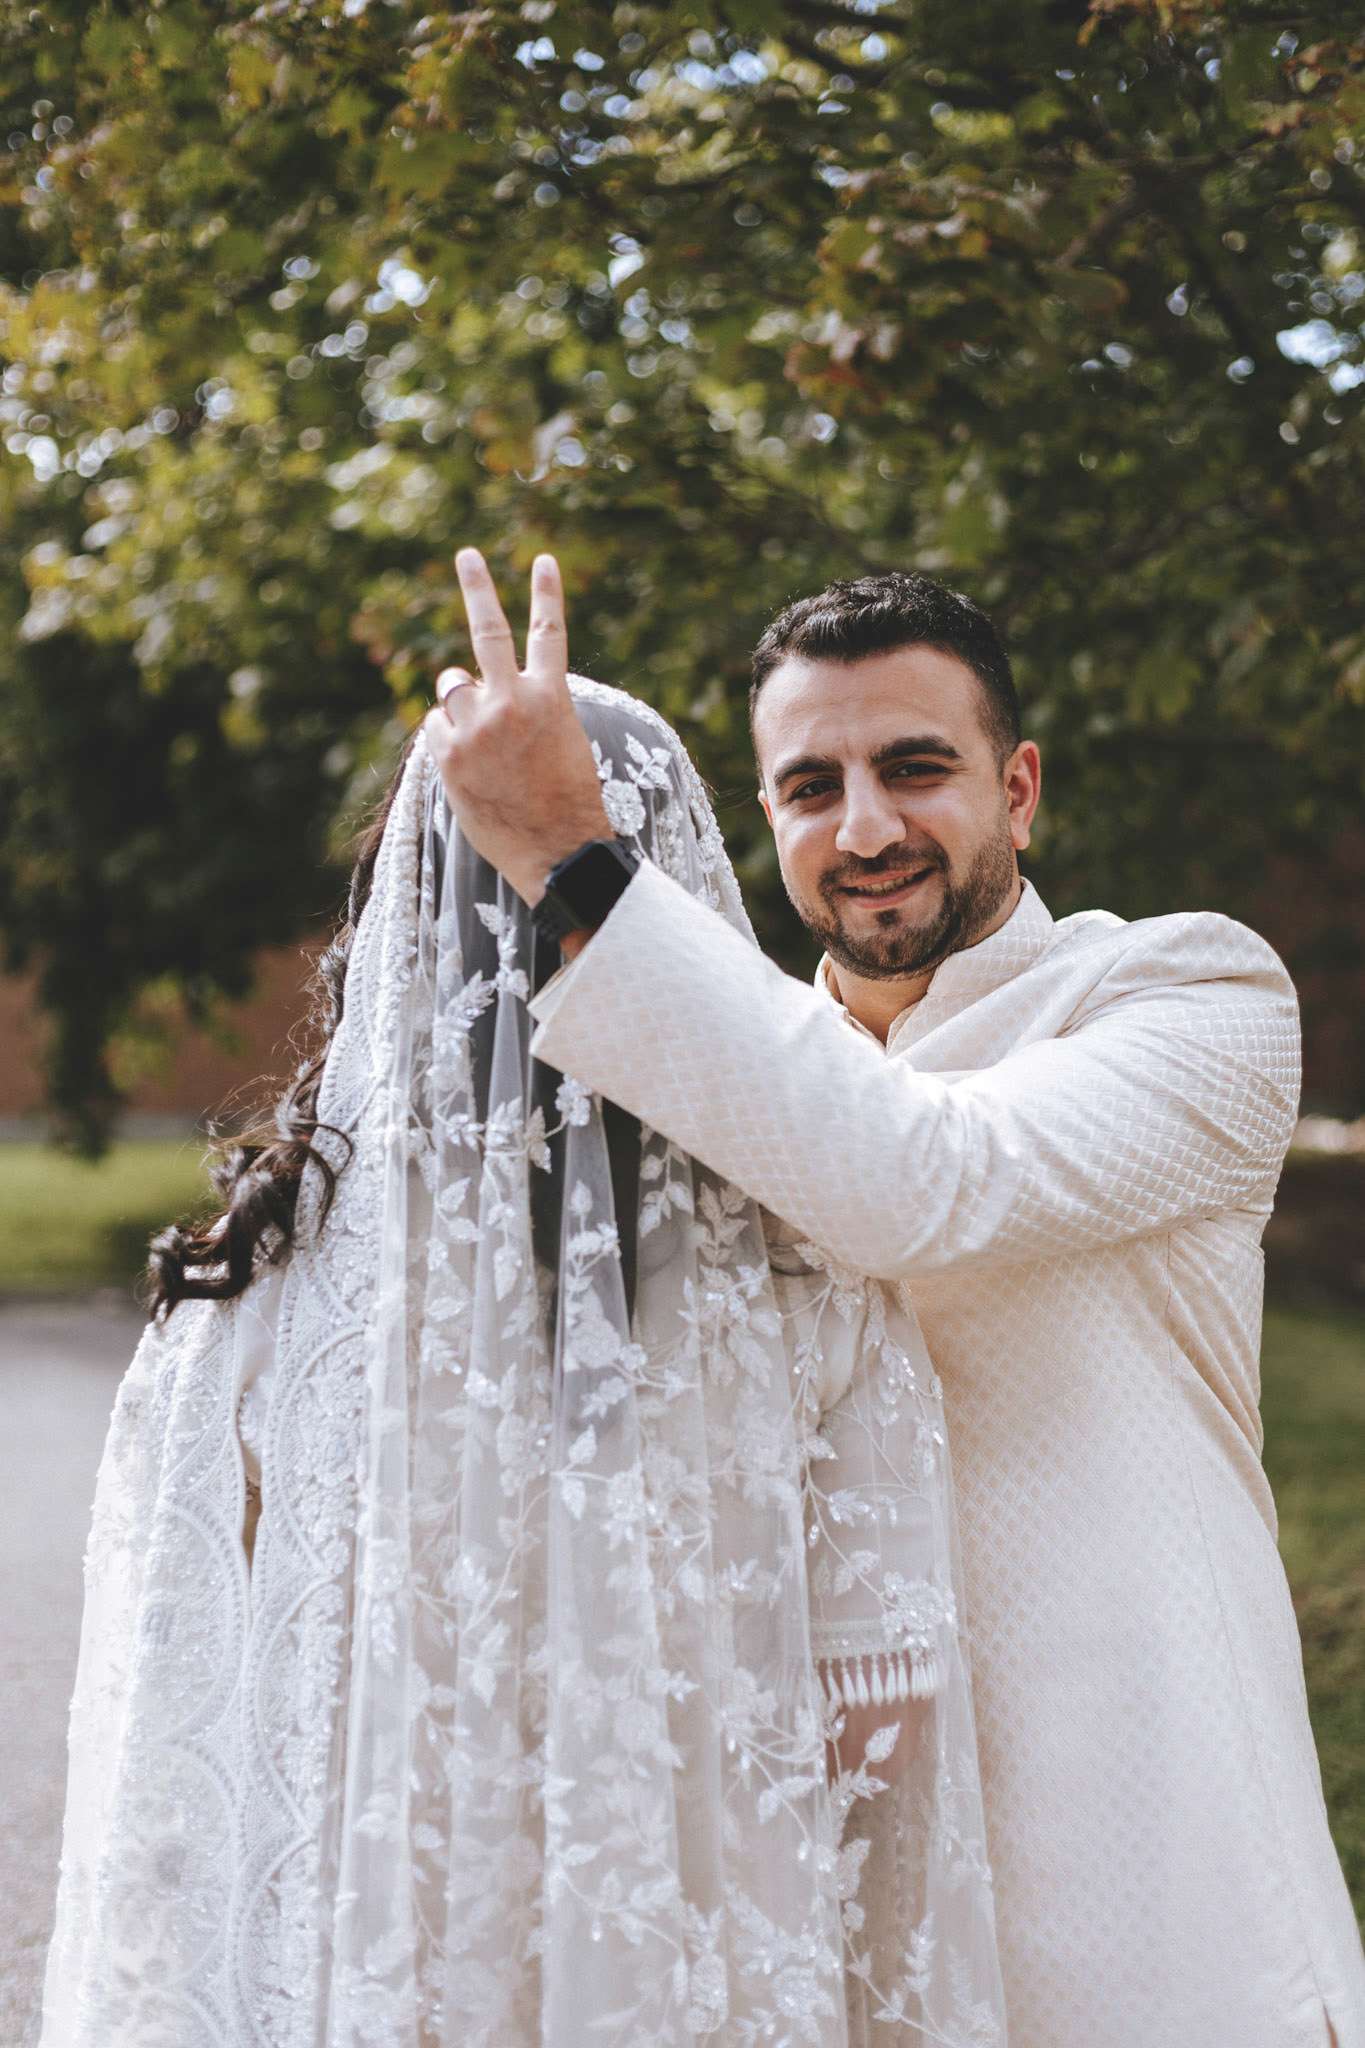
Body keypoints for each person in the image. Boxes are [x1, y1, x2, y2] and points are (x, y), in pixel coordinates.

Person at [424, 548, 1365, 2048]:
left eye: (914, 768)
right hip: (835, 1912)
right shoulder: (699, 1072)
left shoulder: (1192, 998)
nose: (863, 829)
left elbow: (924, 1179)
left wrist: (573, 858)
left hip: (1159, 1903)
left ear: (1019, 790)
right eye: (811, 788)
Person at [41, 679, 1006, 2047]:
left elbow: (187, 1759)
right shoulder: (815, 1288)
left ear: (405, 918)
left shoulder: (246, 1309)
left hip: (368, 1973)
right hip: (691, 1972)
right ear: (678, 906)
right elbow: (873, 1745)